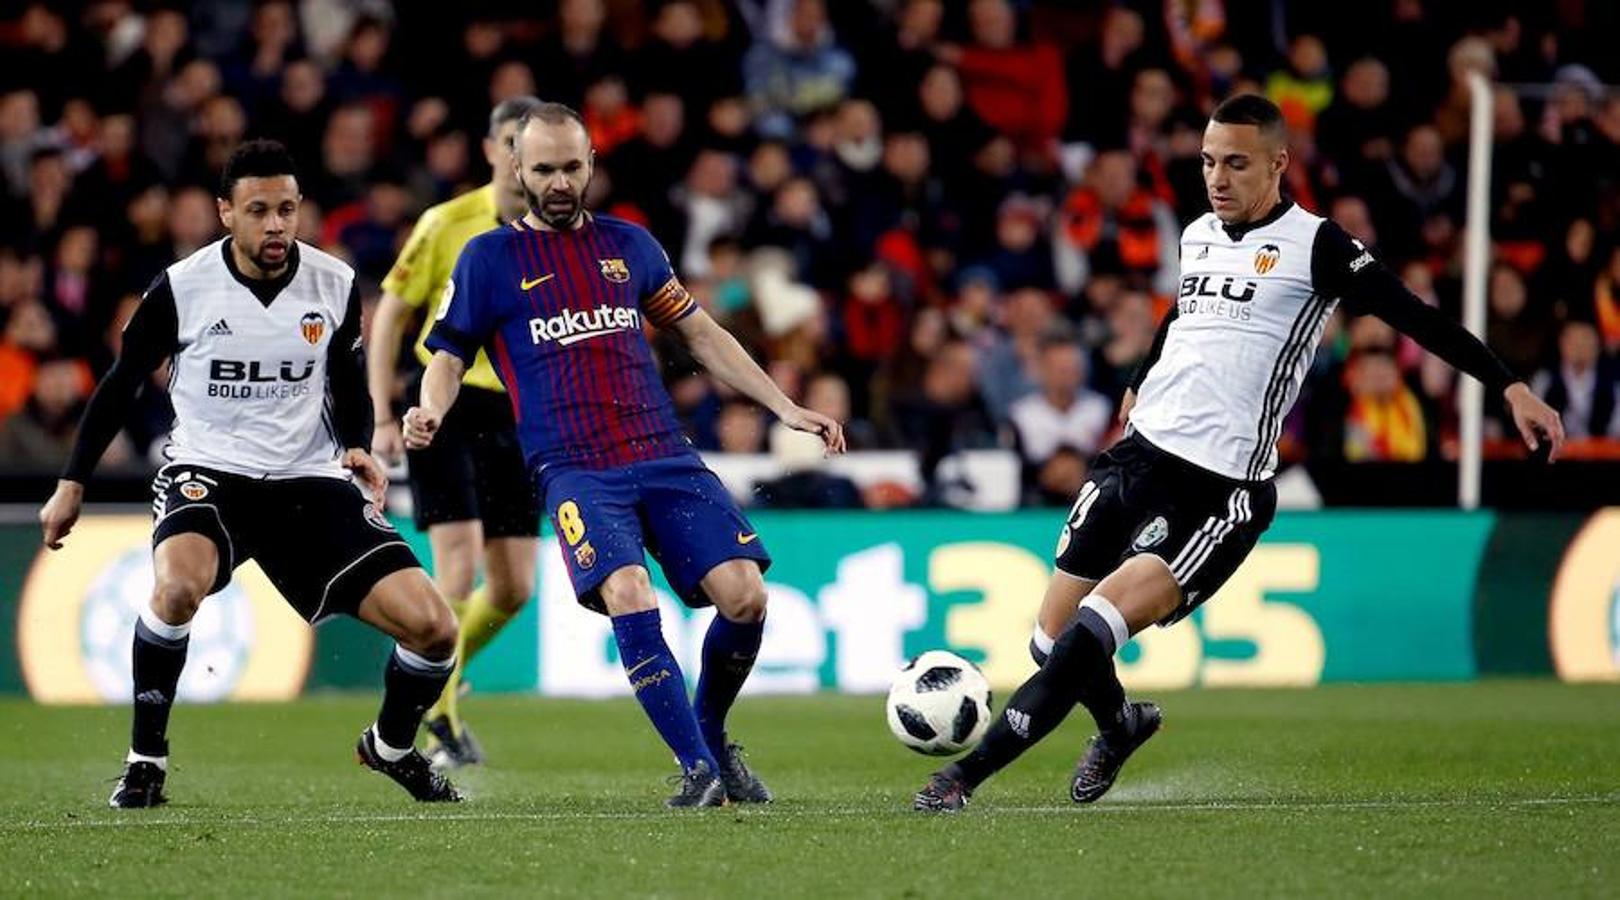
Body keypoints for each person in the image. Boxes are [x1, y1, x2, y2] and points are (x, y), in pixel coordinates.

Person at [912, 95, 1564, 813]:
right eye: (1207, 161)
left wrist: (1510, 388)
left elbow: (1417, 316)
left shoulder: (1319, 246)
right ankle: (1121, 725)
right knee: (1051, 642)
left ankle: (961, 779)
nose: (1217, 177)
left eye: (1236, 163)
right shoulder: (1197, 234)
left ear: (1279, 164)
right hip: (1136, 459)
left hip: (1218, 492)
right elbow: (1182, 314)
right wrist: (1137, 381)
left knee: (1090, 633)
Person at [402, 103, 844, 807]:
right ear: (517, 167)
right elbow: (448, 355)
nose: (557, 181)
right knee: (630, 592)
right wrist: (430, 409)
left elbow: (701, 336)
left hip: (663, 452)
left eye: (571, 166)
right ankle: (698, 769)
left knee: (747, 599)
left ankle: (710, 738)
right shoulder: (488, 258)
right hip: (574, 467)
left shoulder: (631, 246)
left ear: (591, 165)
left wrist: (783, 407)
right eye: (542, 167)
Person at [38, 140, 463, 808]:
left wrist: (355, 444)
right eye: (259, 210)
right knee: (177, 588)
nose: (276, 225)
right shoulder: (182, 288)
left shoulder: (335, 282)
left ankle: (390, 745)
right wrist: (72, 483)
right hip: (209, 472)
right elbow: (120, 385)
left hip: (308, 482)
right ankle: (146, 760)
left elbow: (346, 375)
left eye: (288, 209)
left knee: (437, 630)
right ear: (225, 213)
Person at [367, 96, 542, 768]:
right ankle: (431, 700)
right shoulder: (447, 222)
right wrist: (384, 411)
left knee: (514, 588)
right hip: (448, 404)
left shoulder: (550, 231)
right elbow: (392, 313)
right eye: (507, 141)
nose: (515, 155)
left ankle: (440, 676)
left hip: (518, 415)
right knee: (460, 570)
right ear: (492, 147)